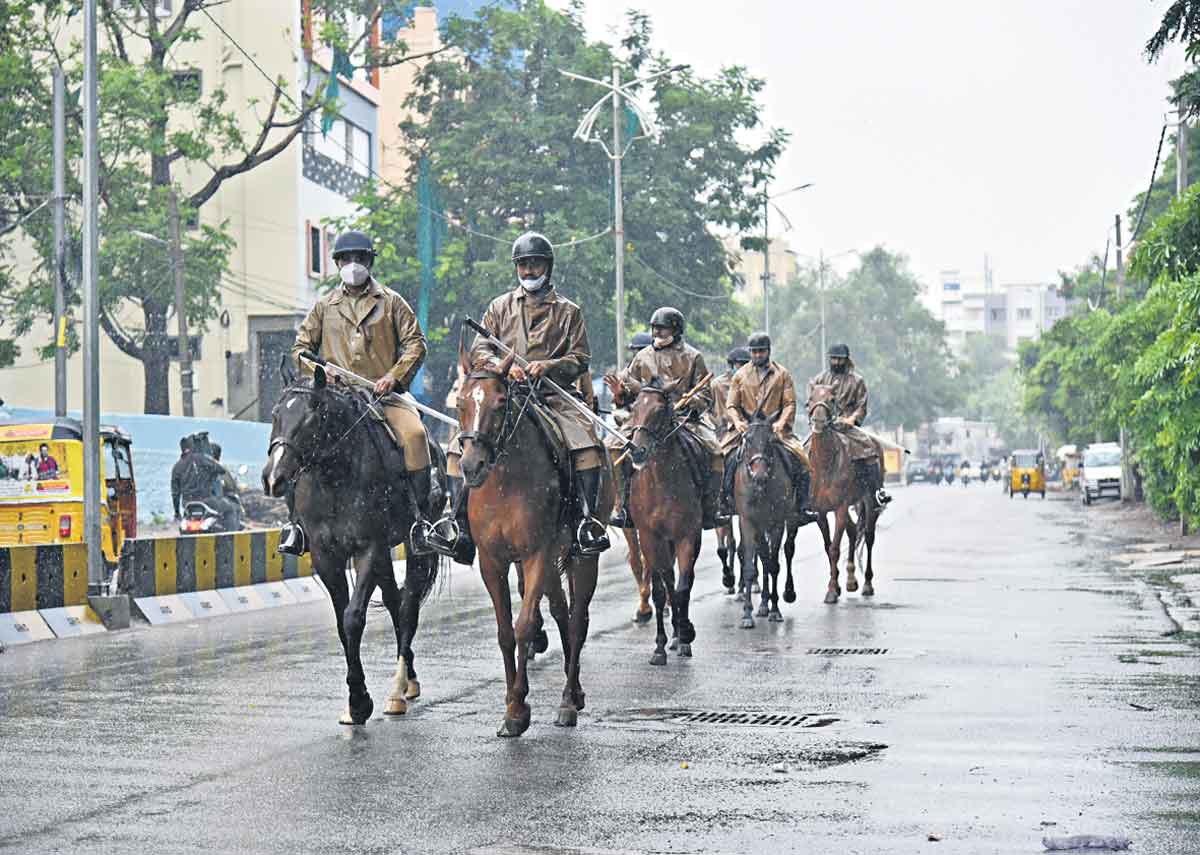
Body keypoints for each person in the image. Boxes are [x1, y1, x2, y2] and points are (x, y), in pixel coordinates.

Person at [435, 231, 610, 558]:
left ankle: (586, 521)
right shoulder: (499, 307)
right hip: (505, 393)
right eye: (523, 265)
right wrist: (503, 367)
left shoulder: (569, 311)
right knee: (458, 448)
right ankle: (456, 522)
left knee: (585, 443)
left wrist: (549, 366)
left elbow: (581, 359)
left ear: (548, 266)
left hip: (553, 396)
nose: (529, 271)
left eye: (535, 264)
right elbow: (480, 351)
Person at [283, 229, 434, 555]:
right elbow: (300, 350)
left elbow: (415, 344)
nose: (353, 265)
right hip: (334, 397)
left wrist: (393, 376)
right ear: (338, 263)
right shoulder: (324, 306)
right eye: (347, 259)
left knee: (416, 436)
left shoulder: (392, 302)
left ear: (369, 262)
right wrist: (322, 372)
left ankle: (421, 521)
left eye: (360, 259)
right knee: (295, 438)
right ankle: (296, 525)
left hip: (384, 396)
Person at [604, 307, 724, 530]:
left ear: (676, 330)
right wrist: (620, 392)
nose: (657, 333)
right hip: (646, 419)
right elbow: (629, 390)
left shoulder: (693, 356)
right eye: (654, 329)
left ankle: (712, 507)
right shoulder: (642, 357)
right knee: (612, 445)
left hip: (685, 419)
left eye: (662, 328)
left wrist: (691, 400)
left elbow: (706, 396)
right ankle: (620, 505)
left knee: (716, 451)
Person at [719, 331, 818, 523]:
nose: (757, 355)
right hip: (746, 431)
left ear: (768, 351)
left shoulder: (782, 374)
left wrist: (781, 422)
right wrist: (738, 421)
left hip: (776, 432)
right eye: (754, 352)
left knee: (803, 460)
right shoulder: (739, 375)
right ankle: (722, 503)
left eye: (761, 351)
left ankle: (803, 506)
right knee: (721, 458)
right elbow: (731, 405)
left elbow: (790, 403)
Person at [807, 343, 892, 508]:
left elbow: (862, 406)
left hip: (848, 427)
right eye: (833, 359)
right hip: (826, 426)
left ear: (846, 360)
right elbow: (811, 403)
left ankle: (877, 492)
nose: (836, 362)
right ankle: (807, 496)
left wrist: (852, 419)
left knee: (870, 449)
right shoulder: (819, 380)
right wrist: (817, 417)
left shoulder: (857, 381)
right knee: (804, 451)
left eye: (839, 359)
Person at [711, 346, 751, 440]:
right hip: (724, 430)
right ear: (732, 365)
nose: (744, 367)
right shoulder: (717, 385)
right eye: (740, 364)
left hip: (748, 427)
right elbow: (709, 408)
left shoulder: (753, 383)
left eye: (746, 364)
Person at [210, 443, 244, 531]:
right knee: (232, 508)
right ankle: (232, 535)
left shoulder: (199, 466)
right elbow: (230, 485)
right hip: (212, 500)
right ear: (219, 455)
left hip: (195, 500)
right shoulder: (219, 466)